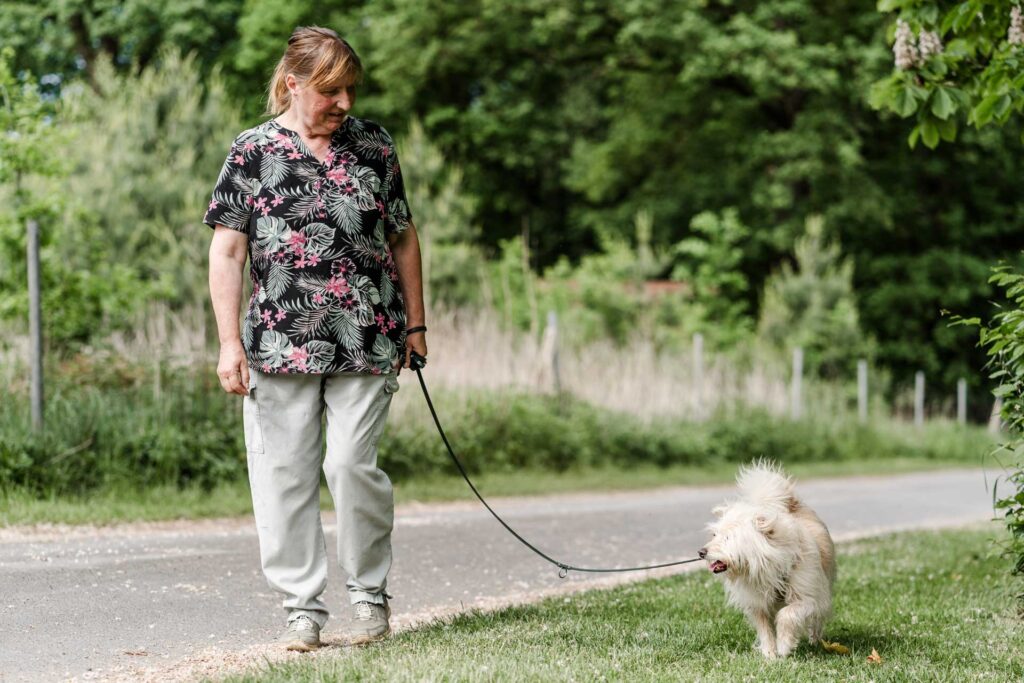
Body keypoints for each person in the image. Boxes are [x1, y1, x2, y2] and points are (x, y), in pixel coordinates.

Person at [204, 25, 427, 651]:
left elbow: (402, 235)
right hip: (279, 342)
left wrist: (416, 322)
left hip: (369, 335)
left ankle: (369, 597)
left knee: (352, 465)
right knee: (284, 475)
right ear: (292, 84)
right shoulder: (252, 151)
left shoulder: (374, 146)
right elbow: (227, 251)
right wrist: (228, 344)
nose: (345, 104)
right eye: (332, 91)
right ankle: (302, 608)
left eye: (351, 90)